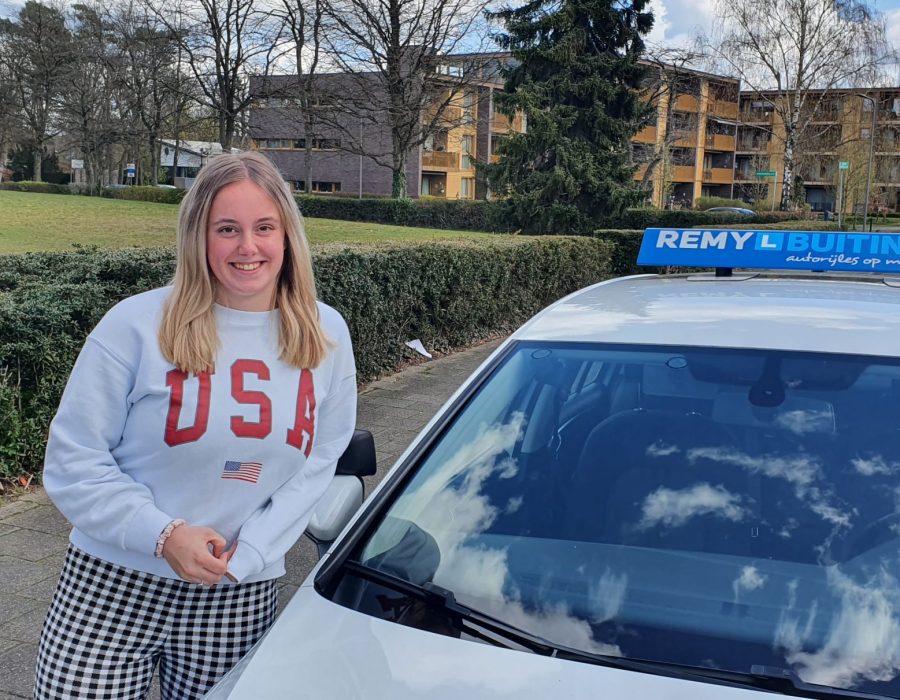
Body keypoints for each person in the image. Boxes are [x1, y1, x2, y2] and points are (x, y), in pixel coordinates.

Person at [33, 151, 357, 699]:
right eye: (226, 229)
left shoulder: (325, 333)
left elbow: (323, 457)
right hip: (110, 586)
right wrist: (162, 536)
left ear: (287, 236)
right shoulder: (135, 326)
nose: (247, 247)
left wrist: (253, 552)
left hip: (238, 593)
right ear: (197, 237)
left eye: (263, 228)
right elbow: (73, 460)